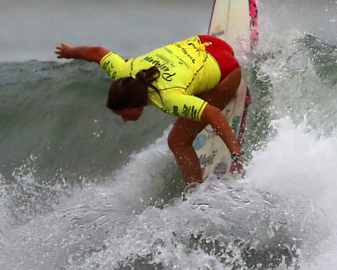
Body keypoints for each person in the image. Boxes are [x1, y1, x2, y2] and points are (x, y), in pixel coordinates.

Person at [55, 34, 243, 184]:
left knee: (178, 141)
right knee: (187, 84)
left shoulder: (168, 98)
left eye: (126, 114)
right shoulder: (123, 72)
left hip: (228, 69)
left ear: (137, 103)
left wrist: (236, 154)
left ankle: (195, 190)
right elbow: (97, 52)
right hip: (207, 42)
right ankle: (209, 89)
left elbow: (212, 113)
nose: (125, 120)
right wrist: (71, 52)